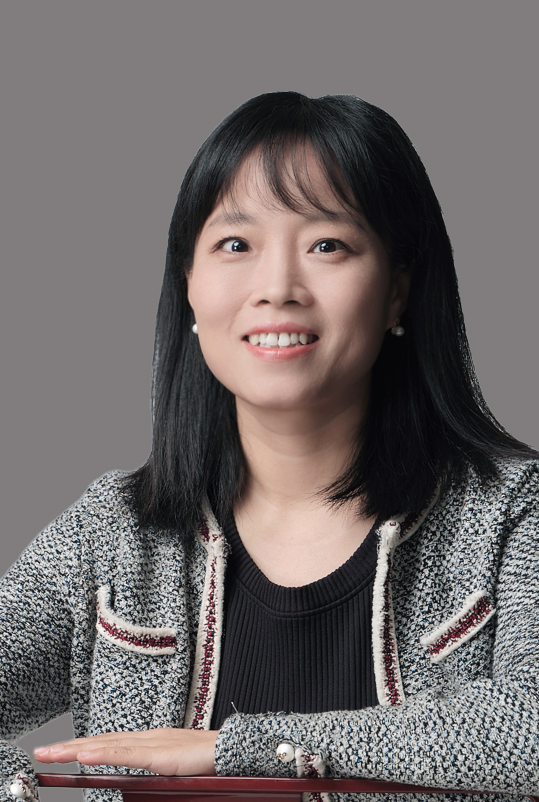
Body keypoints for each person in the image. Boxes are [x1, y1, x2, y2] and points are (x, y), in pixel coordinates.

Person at [2, 91, 539, 802]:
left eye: (327, 245)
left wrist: (236, 751)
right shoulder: (114, 532)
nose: (277, 288)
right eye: (236, 245)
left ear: (396, 291)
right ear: (189, 289)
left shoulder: (509, 514)